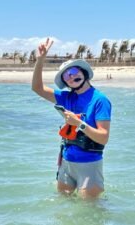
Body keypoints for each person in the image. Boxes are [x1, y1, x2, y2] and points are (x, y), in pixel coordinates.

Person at [32, 38, 112, 199]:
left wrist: (79, 124)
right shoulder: (66, 97)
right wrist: (40, 60)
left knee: (89, 211)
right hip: (66, 162)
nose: (71, 77)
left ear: (83, 73)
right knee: (63, 207)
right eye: (66, 76)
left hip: (89, 164)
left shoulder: (100, 100)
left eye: (74, 72)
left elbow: (103, 138)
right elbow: (37, 88)